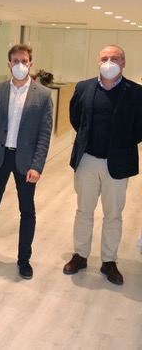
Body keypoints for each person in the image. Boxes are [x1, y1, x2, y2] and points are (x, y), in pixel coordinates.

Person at [0, 43, 52, 280]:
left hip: (26, 161)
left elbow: (44, 134)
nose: (20, 65)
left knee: (27, 210)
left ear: (31, 64)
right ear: (9, 64)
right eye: (16, 61)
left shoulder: (43, 94)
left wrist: (37, 166)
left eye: (24, 61)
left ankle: (24, 259)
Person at [63, 45, 142, 285]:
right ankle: (80, 255)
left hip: (118, 163)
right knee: (83, 211)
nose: (109, 62)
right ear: (98, 62)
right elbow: (76, 119)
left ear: (123, 63)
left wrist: (121, 144)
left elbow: (140, 127)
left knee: (113, 214)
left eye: (115, 58)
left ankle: (109, 261)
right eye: (105, 58)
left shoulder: (136, 92)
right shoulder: (83, 87)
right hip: (87, 159)